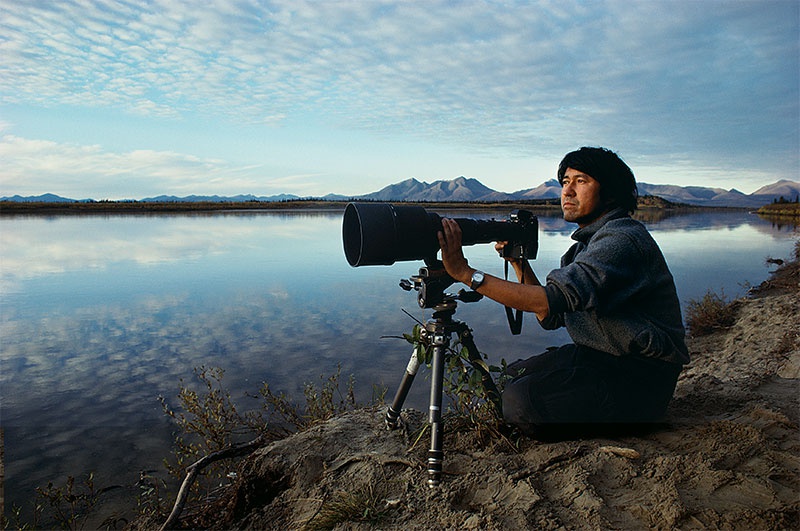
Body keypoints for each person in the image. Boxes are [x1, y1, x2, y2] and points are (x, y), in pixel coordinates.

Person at [437, 146, 689, 438]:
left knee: (521, 403)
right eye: (565, 182)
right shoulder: (583, 247)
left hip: (640, 377)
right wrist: (519, 265)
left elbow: (548, 300)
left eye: (581, 181)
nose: (567, 191)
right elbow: (550, 315)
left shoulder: (621, 239)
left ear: (610, 192)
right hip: (597, 355)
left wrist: (466, 274)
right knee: (506, 378)